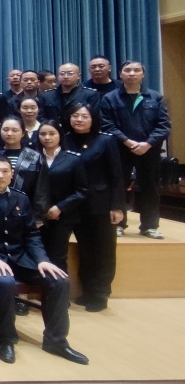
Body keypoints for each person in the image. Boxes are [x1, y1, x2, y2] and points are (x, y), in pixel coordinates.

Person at [0, 155, 88, 365]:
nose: (0, 175)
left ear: (12, 174)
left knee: (59, 281)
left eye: (5, 171)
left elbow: (31, 234)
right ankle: (6, 339)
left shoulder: (21, 198)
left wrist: (42, 260)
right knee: (5, 282)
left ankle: (56, 341)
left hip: (20, 258)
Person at [99, 60, 171, 239]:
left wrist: (148, 144)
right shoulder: (110, 98)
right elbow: (107, 125)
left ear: (143, 74)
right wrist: (128, 142)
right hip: (120, 149)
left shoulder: (155, 97)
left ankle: (150, 226)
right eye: (128, 70)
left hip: (149, 150)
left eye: (136, 70)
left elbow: (163, 126)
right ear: (120, 74)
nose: (132, 73)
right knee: (118, 187)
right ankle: (118, 224)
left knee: (150, 187)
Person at [64, 103, 125, 311]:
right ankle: (86, 290)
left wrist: (117, 206)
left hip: (100, 203)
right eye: (75, 115)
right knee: (86, 250)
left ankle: (100, 293)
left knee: (103, 249)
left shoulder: (106, 140)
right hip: (73, 203)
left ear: (93, 119)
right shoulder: (65, 139)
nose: (79, 119)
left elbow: (116, 175)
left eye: (84, 116)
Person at [34, 121, 87, 273]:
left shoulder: (73, 159)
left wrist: (60, 207)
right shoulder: (32, 157)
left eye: (52, 134)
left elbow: (82, 191)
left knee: (58, 257)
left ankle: (60, 289)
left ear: (60, 136)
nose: (47, 137)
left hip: (63, 217)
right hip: (37, 217)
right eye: (43, 134)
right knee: (38, 258)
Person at [42, 63, 100, 128]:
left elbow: (94, 118)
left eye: (70, 73)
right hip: (53, 131)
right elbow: (42, 117)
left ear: (79, 76)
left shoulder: (90, 94)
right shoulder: (47, 95)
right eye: (62, 74)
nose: (65, 76)